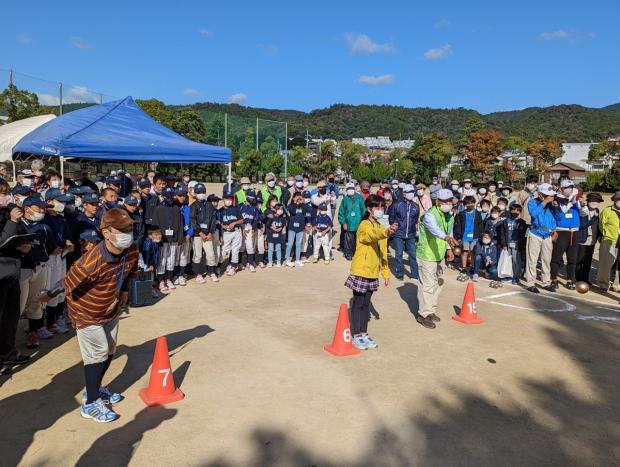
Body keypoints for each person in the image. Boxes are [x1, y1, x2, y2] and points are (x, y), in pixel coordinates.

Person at [64, 208, 139, 423]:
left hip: (111, 308)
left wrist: (123, 291)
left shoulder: (132, 249)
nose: (128, 233)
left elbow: (130, 270)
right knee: (96, 353)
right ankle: (90, 404)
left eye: (130, 228)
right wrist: (78, 315)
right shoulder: (90, 262)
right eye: (123, 230)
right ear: (106, 232)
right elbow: (68, 286)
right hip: (87, 313)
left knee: (110, 349)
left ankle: (94, 389)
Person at [345, 195, 397, 350]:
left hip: (373, 272)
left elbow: (383, 252)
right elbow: (370, 236)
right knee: (358, 303)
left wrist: (386, 273)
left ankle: (364, 333)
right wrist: (385, 233)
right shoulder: (364, 225)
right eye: (377, 208)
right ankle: (356, 335)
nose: (380, 210)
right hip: (361, 270)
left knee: (366, 304)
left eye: (382, 208)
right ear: (369, 209)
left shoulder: (381, 227)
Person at [415, 189, 458, 329]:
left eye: (450, 201)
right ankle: (423, 314)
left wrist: (449, 249)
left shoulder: (449, 215)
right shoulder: (429, 215)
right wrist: (446, 238)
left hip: (439, 255)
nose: (448, 203)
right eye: (444, 201)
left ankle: (431, 310)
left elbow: (448, 231)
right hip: (427, 254)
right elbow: (435, 230)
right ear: (437, 201)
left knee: (438, 283)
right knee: (427, 285)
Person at [0, 189, 32, 373]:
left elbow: (21, 235)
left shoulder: (9, 214)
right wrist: (12, 221)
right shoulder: (9, 219)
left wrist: (27, 245)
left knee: (10, 318)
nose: (7, 197)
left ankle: (8, 353)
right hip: (1, 275)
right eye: (3, 193)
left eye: (7, 193)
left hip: (12, 274)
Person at [524, 183, 561, 293]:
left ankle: (546, 282)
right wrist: (544, 203)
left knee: (546, 260)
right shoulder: (532, 202)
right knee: (532, 259)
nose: (550, 197)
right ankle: (530, 283)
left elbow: (559, 217)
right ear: (540, 194)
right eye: (547, 195)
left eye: (551, 195)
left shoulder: (552, 205)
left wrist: (557, 207)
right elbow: (534, 214)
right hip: (535, 233)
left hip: (548, 236)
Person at [551, 179, 581, 290]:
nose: (570, 189)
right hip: (561, 230)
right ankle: (553, 279)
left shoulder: (575, 199)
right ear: (562, 189)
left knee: (572, 258)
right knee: (556, 257)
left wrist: (583, 206)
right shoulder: (557, 199)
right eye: (567, 187)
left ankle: (570, 279)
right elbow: (559, 214)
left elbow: (582, 213)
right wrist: (570, 203)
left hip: (574, 231)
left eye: (571, 187)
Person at [152, 187, 183, 292]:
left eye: (171, 196)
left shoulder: (176, 208)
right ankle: (161, 280)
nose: (169, 198)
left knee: (171, 260)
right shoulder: (158, 208)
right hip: (162, 240)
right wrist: (156, 237)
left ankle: (168, 279)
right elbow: (155, 225)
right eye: (167, 196)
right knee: (162, 260)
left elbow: (180, 224)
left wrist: (179, 238)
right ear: (163, 197)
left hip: (173, 239)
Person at [389, 184, 420, 280]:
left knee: (413, 255)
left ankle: (415, 275)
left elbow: (415, 219)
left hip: (411, 234)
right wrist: (396, 227)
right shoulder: (397, 205)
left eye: (412, 192)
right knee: (399, 254)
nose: (411, 194)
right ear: (404, 193)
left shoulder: (416, 206)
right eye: (408, 192)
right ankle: (400, 274)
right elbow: (391, 218)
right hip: (399, 234)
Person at [594, 191, 620, 291]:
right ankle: (603, 284)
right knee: (605, 265)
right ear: (614, 200)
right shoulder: (607, 211)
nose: (619, 201)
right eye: (618, 199)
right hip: (609, 241)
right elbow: (601, 225)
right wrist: (606, 235)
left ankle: (616, 284)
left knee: (619, 265)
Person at [454, 195, 484, 281]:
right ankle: (463, 267)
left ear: (474, 203)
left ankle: (472, 266)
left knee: (473, 252)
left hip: (475, 236)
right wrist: (458, 237)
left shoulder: (478, 214)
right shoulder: (461, 214)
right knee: (465, 252)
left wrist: (480, 236)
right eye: (467, 203)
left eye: (471, 202)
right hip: (464, 236)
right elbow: (458, 226)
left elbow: (480, 226)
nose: (470, 204)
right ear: (464, 204)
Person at [496, 203, 527, 285]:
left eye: (517, 210)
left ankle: (516, 277)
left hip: (517, 244)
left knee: (516, 261)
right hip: (507, 243)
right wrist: (504, 244)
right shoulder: (505, 221)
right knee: (507, 260)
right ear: (510, 210)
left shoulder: (522, 222)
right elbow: (502, 234)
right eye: (513, 209)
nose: (515, 211)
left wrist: (522, 244)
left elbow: (523, 235)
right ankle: (507, 276)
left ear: (520, 212)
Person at [576, 193, 601, 284]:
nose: (595, 203)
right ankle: (577, 278)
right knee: (579, 260)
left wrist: (599, 236)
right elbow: (581, 225)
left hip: (592, 240)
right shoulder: (582, 210)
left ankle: (585, 279)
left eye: (597, 201)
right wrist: (592, 220)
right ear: (588, 201)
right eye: (593, 200)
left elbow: (598, 226)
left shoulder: (597, 211)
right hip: (582, 239)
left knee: (588, 261)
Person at [338, 182, 365, 261]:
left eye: (352, 189)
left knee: (358, 239)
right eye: (349, 189)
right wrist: (343, 222)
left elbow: (363, 209)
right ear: (346, 190)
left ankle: (357, 253)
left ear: (354, 189)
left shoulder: (360, 198)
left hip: (358, 222)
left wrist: (364, 220)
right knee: (348, 240)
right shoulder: (345, 199)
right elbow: (341, 212)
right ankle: (348, 254)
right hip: (348, 223)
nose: (350, 190)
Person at [220, 193, 244, 276]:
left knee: (235, 250)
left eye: (230, 199)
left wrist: (234, 223)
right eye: (226, 199)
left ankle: (233, 267)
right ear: (223, 200)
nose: (228, 201)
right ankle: (218, 266)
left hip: (236, 231)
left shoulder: (236, 209)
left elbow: (241, 220)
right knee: (224, 251)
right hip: (226, 233)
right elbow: (219, 223)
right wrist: (223, 226)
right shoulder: (221, 210)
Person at [285, 192, 309, 267]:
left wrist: (303, 202)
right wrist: (295, 202)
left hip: (300, 228)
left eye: (299, 196)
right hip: (292, 228)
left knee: (298, 244)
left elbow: (305, 211)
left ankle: (298, 260)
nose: (298, 198)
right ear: (293, 198)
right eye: (297, 197)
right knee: (290, 244)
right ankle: (287, 260)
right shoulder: (290, 206)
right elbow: (293, 211)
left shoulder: (303, 206)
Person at [239, 189, 261, 272]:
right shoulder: (240, 206)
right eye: (250, 196)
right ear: (246, 195)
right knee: (240, 246)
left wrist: (254, 228)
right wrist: (241, 228)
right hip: (241, 228)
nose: (251, 198)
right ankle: (239, 263)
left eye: (253, 196)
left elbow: (255, 219)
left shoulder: (254, 208)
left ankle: (250, 263)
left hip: (249, 227)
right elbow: (237, 218)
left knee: (250, 246)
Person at [173, 186, 192, 285]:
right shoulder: (173, 208)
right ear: (175, 196)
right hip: (176, 237)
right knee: (175, 257)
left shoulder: (187, 208)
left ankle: (181, 275)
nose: (182, 197)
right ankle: (175, 275)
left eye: (183, 195)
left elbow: (192, 223)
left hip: (186, 236)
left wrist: (189, 234)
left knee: (183, 256)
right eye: (179, 195)